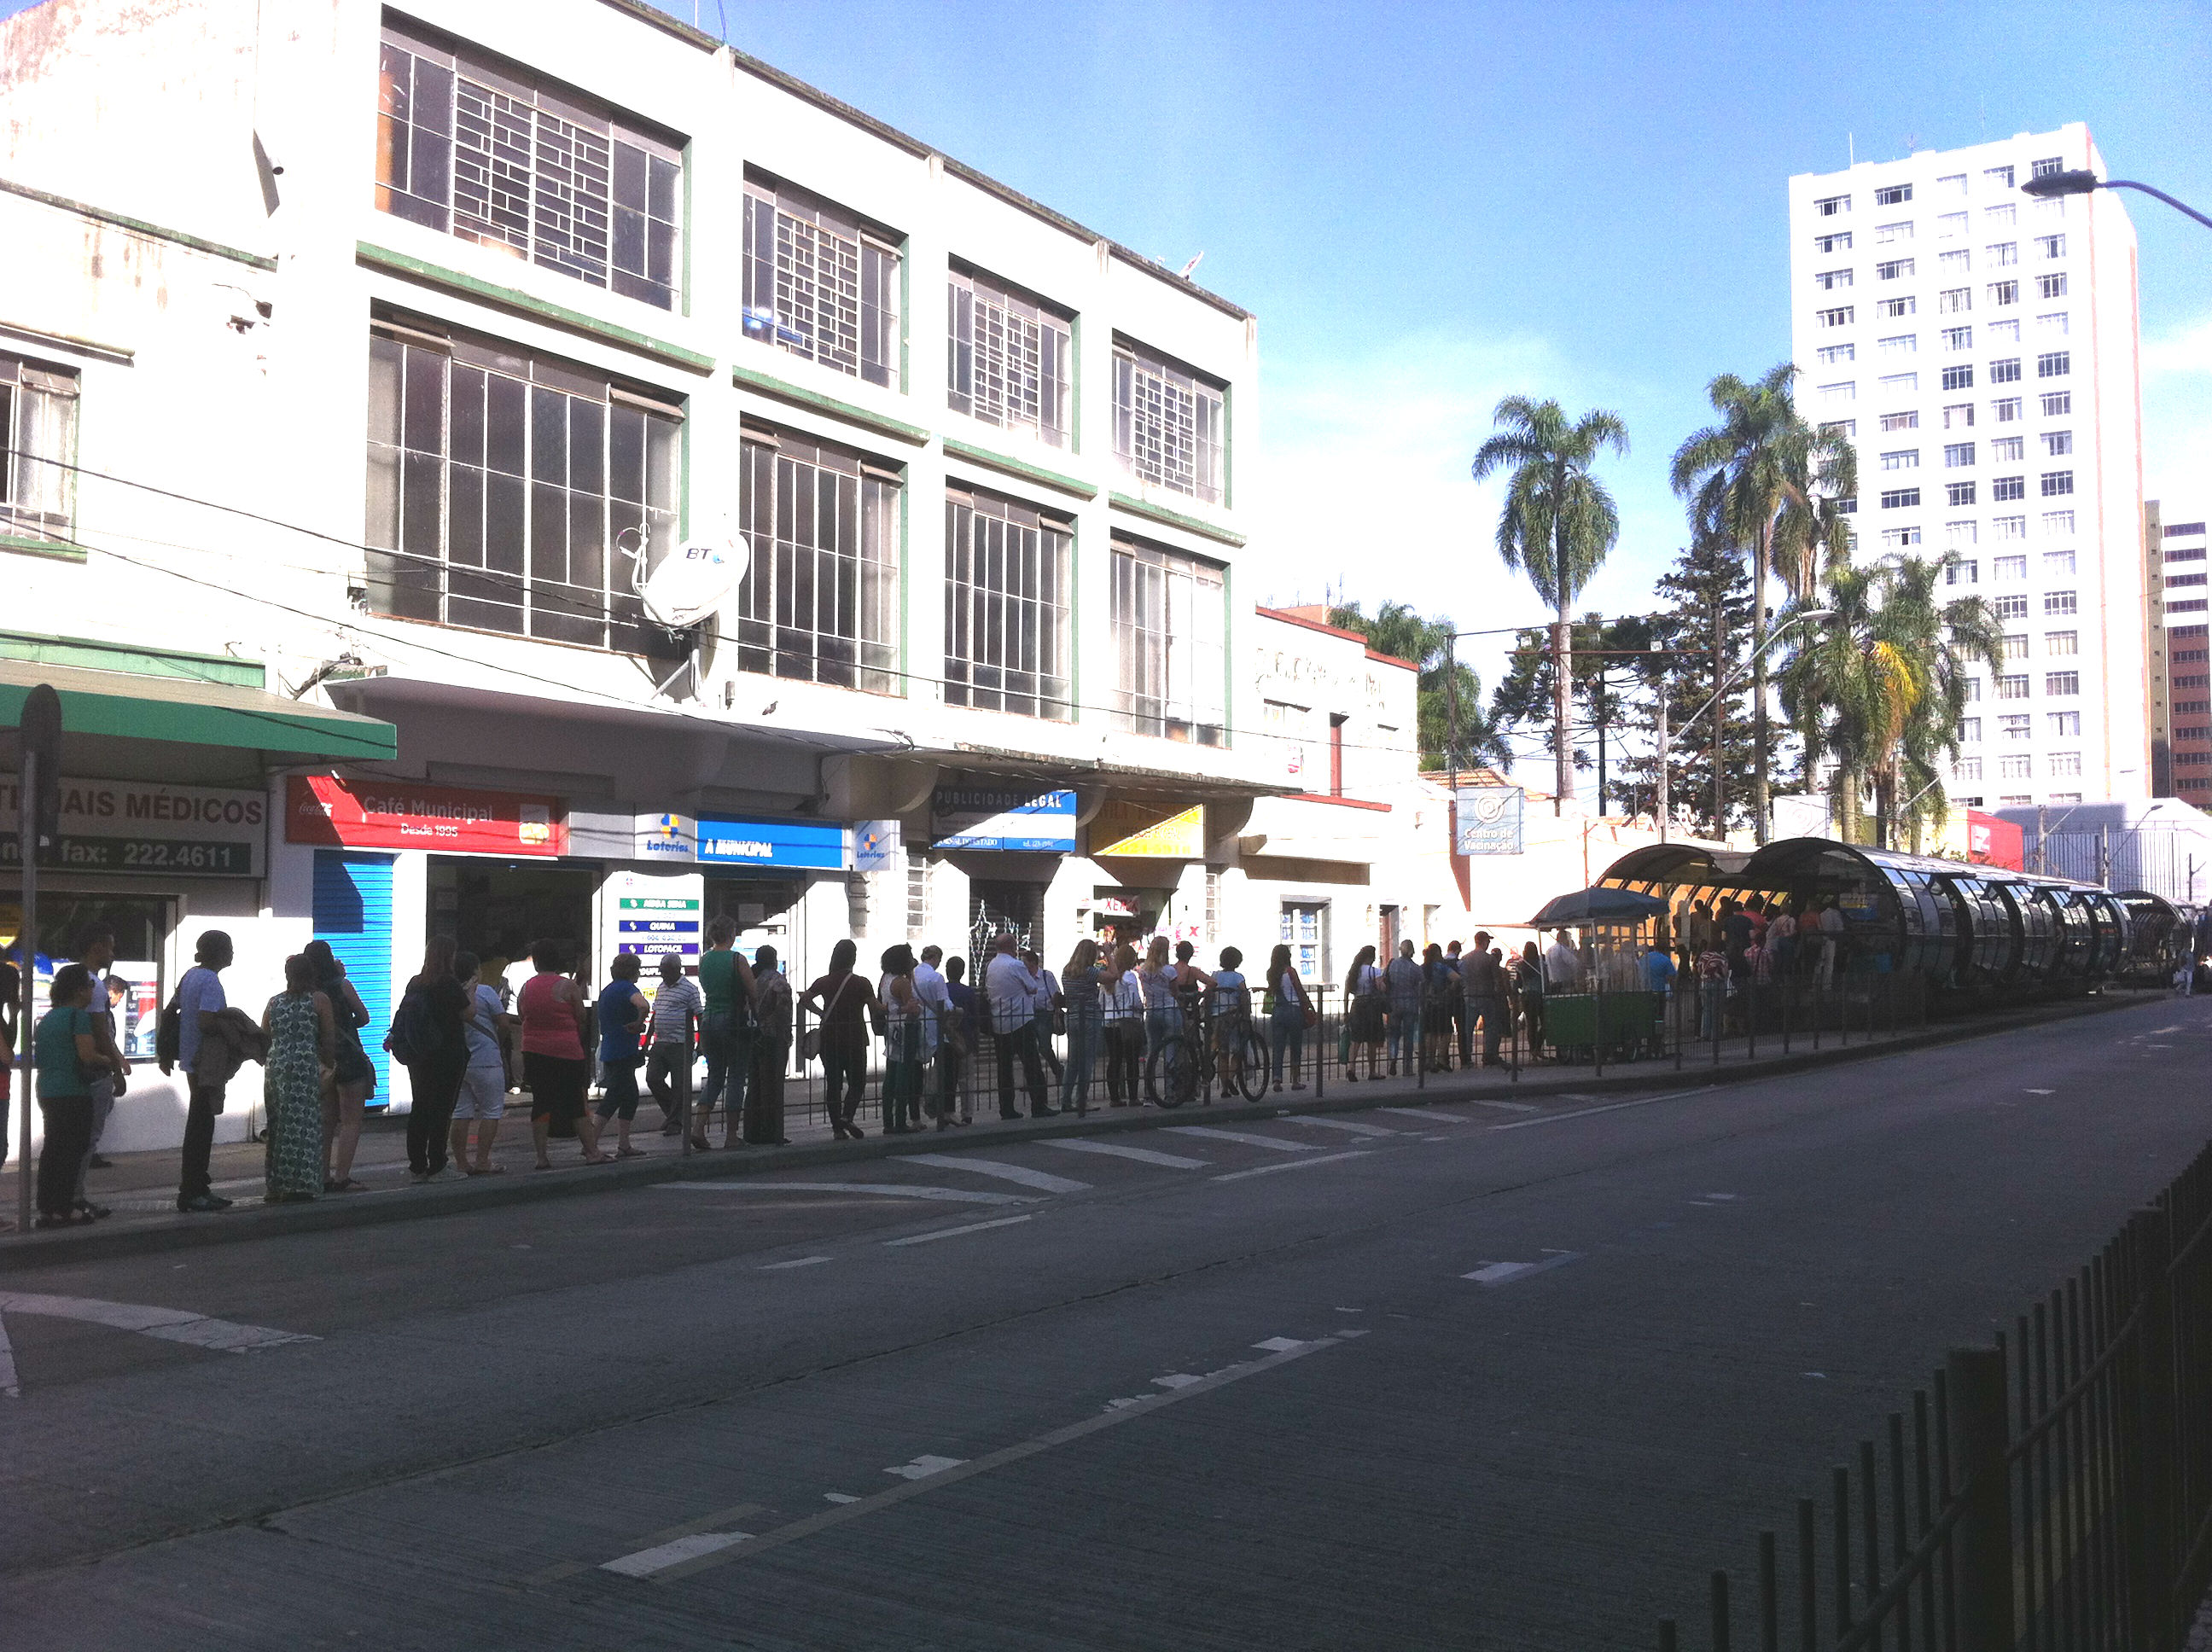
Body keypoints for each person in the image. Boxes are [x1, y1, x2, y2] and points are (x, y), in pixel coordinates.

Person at [31, 965, 117, 1226]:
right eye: (90, 986)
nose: (93, 991)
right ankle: (64, 1207)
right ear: (79, 990)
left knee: (53, 1149)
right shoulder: (78, 1017)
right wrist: (109, 1061)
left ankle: (48, 1207)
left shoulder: (49, 1018)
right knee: (73, 1149)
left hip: (48, 1089)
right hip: (72, 1090)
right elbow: (87, 1055)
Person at [520, 940, 608, 1170]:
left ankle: (541, 1157)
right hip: (566, 1051)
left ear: (537, 962)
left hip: (533, 1051)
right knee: (575, 1103)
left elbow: (522, 1014)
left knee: (541, 1102)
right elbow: (581, 1018)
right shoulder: (567, 986)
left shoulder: (527, 987)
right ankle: (591, 1152)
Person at [167, 929, 236, 1213]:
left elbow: (171, 1010)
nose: (233, 954)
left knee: (199, 1122)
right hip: (205, 1060)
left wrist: (166, 1051)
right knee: (201, 1125)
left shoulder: (190, 976)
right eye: (230, 948)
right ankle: (194, 1189)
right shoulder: (210, 980)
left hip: (190, 1059)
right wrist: (233, 1029)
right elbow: (207, 1021)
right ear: (220, 952)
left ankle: (197, 1186)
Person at [302, 939, 375, 1194]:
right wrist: (346, 1023)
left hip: (322, 1060)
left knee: (326, 1120)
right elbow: (364, 1017)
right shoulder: (342, 985)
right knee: (351, 1120)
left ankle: (321, 1176)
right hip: (349, 1059)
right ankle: (342, 1177)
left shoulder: (307, 992)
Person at [259, 954, 334, 1204]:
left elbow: (264, 1035)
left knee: (279, 1125)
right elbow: (328, 1038)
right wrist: (329, 1066)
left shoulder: (274, 1003)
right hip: (305, 1066)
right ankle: (301, 1183)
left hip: (277, 1067)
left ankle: (276, 1184)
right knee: (304, 1124)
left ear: (288, 974)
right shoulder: (319, 1000)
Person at [397, 936, 470, 1181]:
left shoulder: (415, 983)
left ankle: (417, 1165)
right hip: (447, 1052)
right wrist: (470, 988)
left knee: (420, 1107)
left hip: (419, 1054)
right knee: (441, 1108)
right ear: (450, 957)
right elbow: (469, 1013)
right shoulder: (449, 983)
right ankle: (438, 1164)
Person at [73, 928, 126, 1218]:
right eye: (110, 947)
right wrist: (116, 1067)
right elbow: (100, 1030)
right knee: (87, 1138)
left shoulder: (77, 980)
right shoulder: (91, 984)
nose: (113, 954)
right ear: (96, 947)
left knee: (78, 1138)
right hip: (94, 1070)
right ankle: (76, 1197)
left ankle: (72, 1196)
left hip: (79, 1070)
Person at [800, 940, 877, 1141]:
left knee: (833, 1084)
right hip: (855, 1038)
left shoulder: (824, 981)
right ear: (853, 958)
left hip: (829, 1038)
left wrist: (821, 1013)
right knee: (857, 1082)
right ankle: (847, 1115)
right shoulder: (861, 982)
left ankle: (837, 1129)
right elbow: (876, 1007)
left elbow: (804, 999)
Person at [694, 917, 756, 1149]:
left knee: (715, 1077)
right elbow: (753, 991)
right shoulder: (737, 959)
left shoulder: (705, 960)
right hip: (732, 1020)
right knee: (736, 1078)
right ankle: (731, 1135)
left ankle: (698, 1129)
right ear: (731, 935)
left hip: (708, 1020)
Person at [452, 950, 513, 1175]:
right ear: (475, 970)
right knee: (491, 1111)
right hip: (486, 1060)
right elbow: (504, 1023)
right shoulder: (486, 992)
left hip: (459, 1061)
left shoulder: (449, 993)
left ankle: (461, 1163)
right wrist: (498, 1040)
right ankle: (482, 1160)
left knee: (460, 1112)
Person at [985, 933, 1052, 1120]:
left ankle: (1006, 1108)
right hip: (1021, 1020)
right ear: (1012, 946)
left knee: (1004, 1068)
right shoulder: (1016, 965)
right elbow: (1032, 987)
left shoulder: (991, 965)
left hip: (999, 1021)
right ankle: (1039, 1106)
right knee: (1032, 1065)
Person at [640, 953, 704, 1150]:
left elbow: (700, 1015)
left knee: (680, 1085)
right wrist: (647, 1041)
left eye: (665, 971)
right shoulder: (661, 988)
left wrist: (700, 1043)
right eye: (661, 972)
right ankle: (674, 1115)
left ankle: (675, 1122)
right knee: (653, 1078)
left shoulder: (689, 989)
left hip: (680, 1043)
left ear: (676, 970)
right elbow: (655, 1014)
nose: (662, 975)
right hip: (661, 1042)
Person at [593, 952, 649, 1159]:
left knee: (630, 1096)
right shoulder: (627, 988)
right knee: (615, 1096)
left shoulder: (607, 991)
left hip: (610, 1047)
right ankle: (591, 1142)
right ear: (632, 971)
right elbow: (643, 1005)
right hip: (623, 1048)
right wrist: (638, 1023)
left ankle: (624, 1144)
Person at [746, 944, 794, 1145]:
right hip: (773, 1037)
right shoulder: (777, 980)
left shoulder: (750, 979)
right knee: (773, 1086)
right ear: (773, 959)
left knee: (755, 1085)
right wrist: (787, 1035)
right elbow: (783, 1012)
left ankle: (751, 1131)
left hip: (751, 1036)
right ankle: (772, 1132)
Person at [878, 944, 928, 1133]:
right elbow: (913, 1009)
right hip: (906, 1029)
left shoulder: (886, 979)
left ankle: (887, 1121)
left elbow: (886, 1005)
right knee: (903, 1075)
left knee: (890, 1075)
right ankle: (900, 1119)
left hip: (891, 1029)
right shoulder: (902, 982)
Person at [1059, 939, 1107, 1115]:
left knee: (1072, 1061)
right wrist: (1109, 953)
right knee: (1086, 1061)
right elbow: (1113, 976)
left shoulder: (1067, 971)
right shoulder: (1090, 972)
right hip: (1090, 1018)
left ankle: (1065, 1100)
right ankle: (1082, 1100)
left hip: (1072, 1017)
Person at [1102, 944, 1146, 1106]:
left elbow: (1101, 1002)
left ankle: (1115, 1098)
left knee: (1115, 1060)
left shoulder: (1107, 977)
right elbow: (1135, 1001)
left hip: (1108, 1022)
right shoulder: (1129, 976)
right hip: (1127, 1022)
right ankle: (1133, 1097)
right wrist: (1141, 1009)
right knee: (1132, 1060)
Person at [1265, 944, 1313, 1091]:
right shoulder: (1290, 971)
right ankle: (1295, 1080)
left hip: (1278, 1010)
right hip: (1294, 1010)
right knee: (1295, 1046)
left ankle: (1277, 1080)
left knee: (1278, 1047)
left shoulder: (1271, 973)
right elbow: (1299, 989)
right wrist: (1310, 1005)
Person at [937, 956, 977, 1126]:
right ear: (962, 972)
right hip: (964, 1039)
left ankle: (947, 1111)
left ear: (946, 971)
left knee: (947, 1078)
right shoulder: (968, 992)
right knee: (966, 1078)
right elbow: (975, 1018)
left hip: (945, 1040)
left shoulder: (942, 990)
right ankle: (967, 1113)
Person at [1458, 933, 1507, 1068]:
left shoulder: (1465, 958)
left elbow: (1462, 978)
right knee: (1491, 1026)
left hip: (1469, 996)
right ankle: (1489, 1054)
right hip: (1486, 996)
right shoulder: (1489, 959)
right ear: (1484, 942)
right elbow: (1497, 980)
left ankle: (1467, 1056)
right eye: (1488, 941)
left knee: (1468, 1028)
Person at [1382, 939, 1424, 1077]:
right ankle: (1408, 1067)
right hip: (1410, 1004)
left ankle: (1393, 1059)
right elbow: (1421, 985)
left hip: (1394, 1004)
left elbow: (1384, 979)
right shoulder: (1415, 968)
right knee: (1408, 1036)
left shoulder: (1392, 964)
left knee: (1393, 1035)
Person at [1342, 945, 1383, 1081]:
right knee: (1371, 1040)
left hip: (1356, 1005)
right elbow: (1381, 988)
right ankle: (1372, 1072)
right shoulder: (1375, 972)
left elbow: (1346, 992)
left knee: (1356, 1040)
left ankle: (1351, 1067)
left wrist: (1346, 1011)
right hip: (1371, 1007)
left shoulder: (1353, 972)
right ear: (1371, 957)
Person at [1513, 941, 1547, 1058]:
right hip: (1539, 994)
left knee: (1531, 1024)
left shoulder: (1521, 966)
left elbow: (1518, 984)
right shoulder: (1541, 964)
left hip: (1526, 995)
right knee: (1545, 1022)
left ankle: (1533, 1049)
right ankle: (1538, 1046)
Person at [1544, 928, 1581, 992]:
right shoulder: (1562, 949)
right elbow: (1575, 964)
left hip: (1553, 985)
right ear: (1564, 938)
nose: (1569, 940)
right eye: (1569, 938)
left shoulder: (1548, 951)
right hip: (1565, 985)